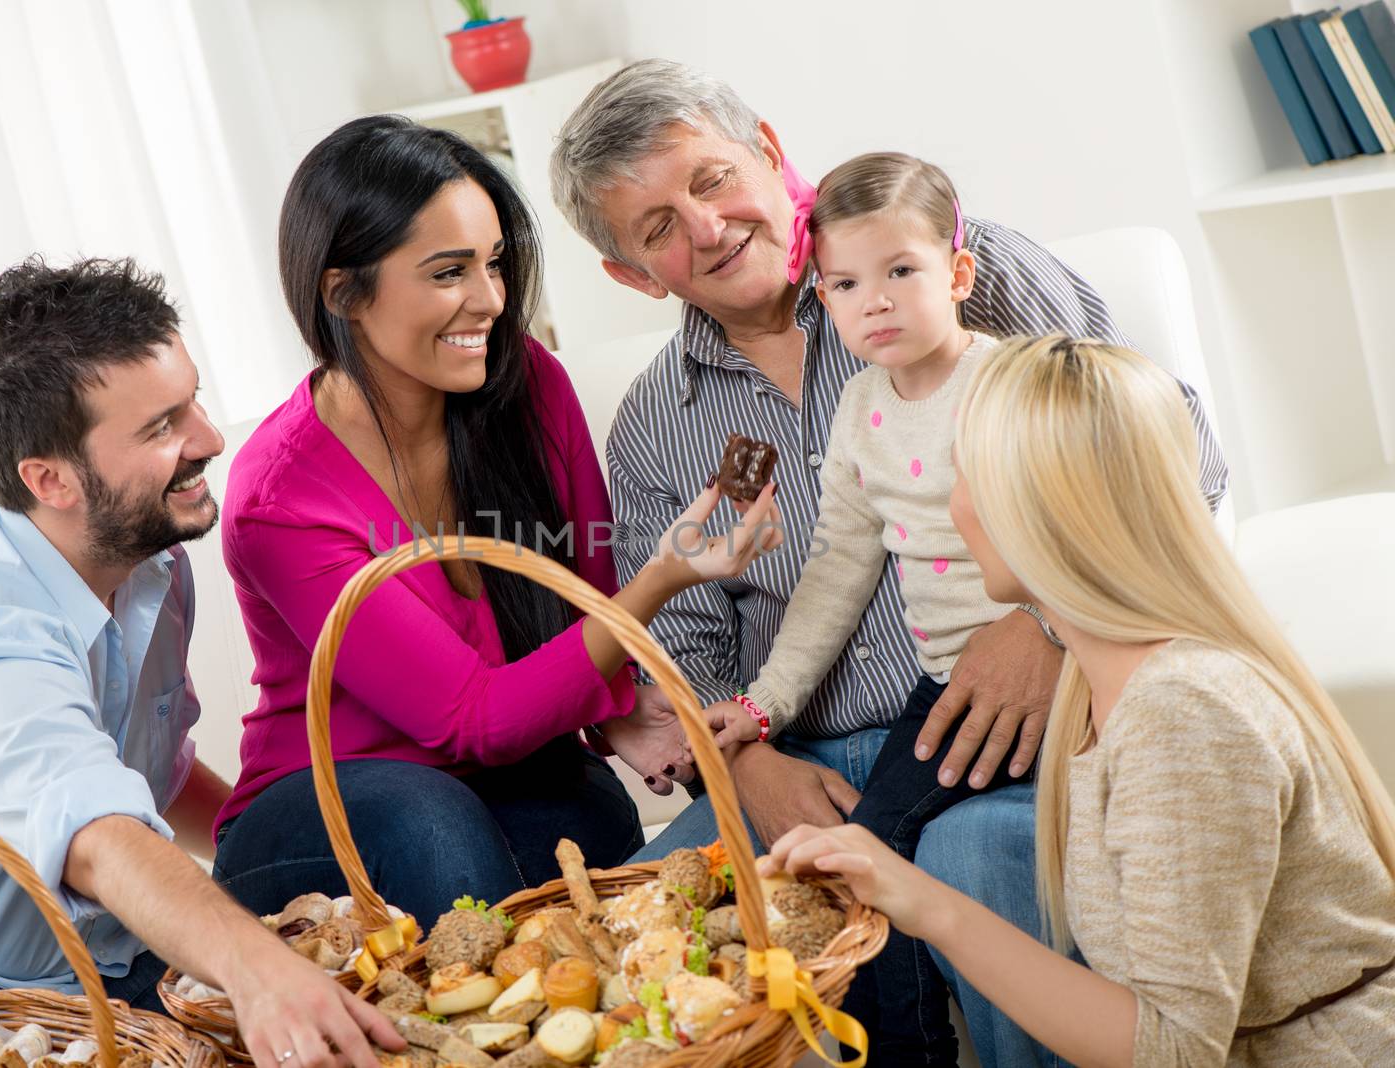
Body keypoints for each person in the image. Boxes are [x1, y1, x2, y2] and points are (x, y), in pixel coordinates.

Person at [548, 59, 1228, 1065]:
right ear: (632, 274)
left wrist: (1047, 626)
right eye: (654, 228)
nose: (704, 227)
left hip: (1017, 728)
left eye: (709, 179)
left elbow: (1169, 455)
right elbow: (681, 648)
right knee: (628, 925)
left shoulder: (952, 265)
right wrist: (747, 765)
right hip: (797, 760)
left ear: (770, 154)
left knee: (975, 853)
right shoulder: (654, 422)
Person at [0, 258, 405, 1068]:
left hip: (88, 962)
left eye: (191, 401)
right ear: (50, 480)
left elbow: (151, 771)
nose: (210, 440)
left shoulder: (148, 561)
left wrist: (247, 886)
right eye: (161, 427)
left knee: (387, 853)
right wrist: (258, 971)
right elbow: (97, 832)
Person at [210, 115, 782, 931]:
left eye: (494, 264)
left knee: (581, 814)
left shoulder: (527, 386)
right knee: (433, 825)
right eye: (448, 272)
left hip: (492, 778)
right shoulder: (282, 500)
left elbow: (582, 593)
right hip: (325, 805)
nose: (488, 300)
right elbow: (471, 718)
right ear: (343, 292)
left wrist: (617, 706)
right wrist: (667, 575)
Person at [763, 333, 1395, 1067]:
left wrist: (920, 899)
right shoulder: (1097, 690)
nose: (950, 506)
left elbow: (1172, 1051)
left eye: (960, 475)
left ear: (1035, 505)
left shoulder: (1180, 712)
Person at [707, 151, 1033, 1064]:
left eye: (901, 272)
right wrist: (767, 703)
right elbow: (836, 571)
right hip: (943, 689)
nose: (875, 301)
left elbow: (1084, 522)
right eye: (846, 283)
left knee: (869, 854)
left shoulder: (1011, 382)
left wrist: (1052, 630)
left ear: (958, 274)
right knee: (856, 861)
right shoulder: (859, 410)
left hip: (1049, 669)